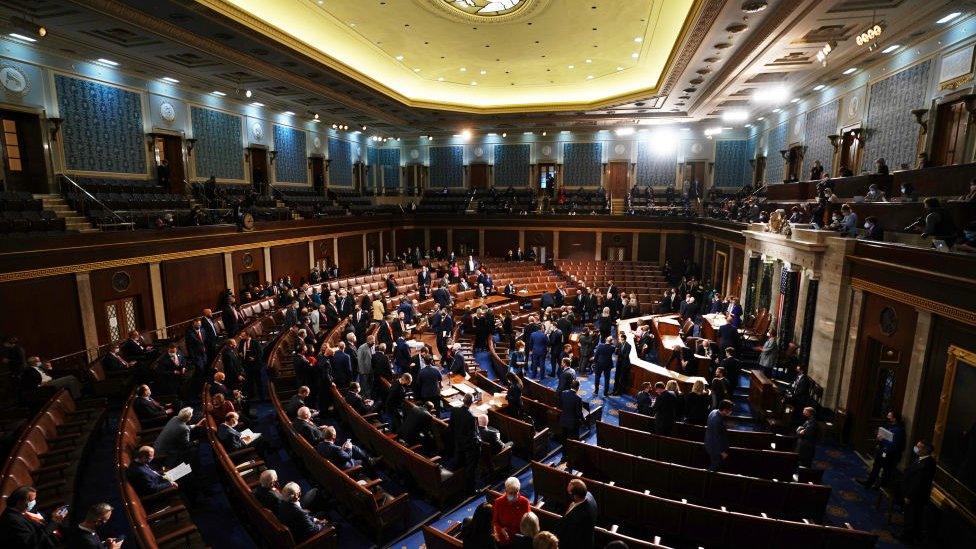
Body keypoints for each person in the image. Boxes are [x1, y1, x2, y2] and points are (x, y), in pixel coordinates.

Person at [0, 485, 65, 549]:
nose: (34, 503)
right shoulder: (12, 520)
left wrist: (52, 514)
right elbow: (32, 542)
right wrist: (54, 522)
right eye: (31, 500)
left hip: (48, 535)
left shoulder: (21, 509)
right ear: (20, 502)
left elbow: (38, 514)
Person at [899, 441, 937, 543]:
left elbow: (918, 483)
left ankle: (906, 537)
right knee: (914, 516)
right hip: (914, 494)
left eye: (919, 447)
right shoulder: (922, 459)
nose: (916, 448)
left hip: (915, 496)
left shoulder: (926, 464)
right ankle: (912, 535)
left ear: (925, 450)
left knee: (911, 517)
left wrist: (909, 496)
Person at [859, 410, 906, 489]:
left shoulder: (899, 430)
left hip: (890, 454)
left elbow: (894, 444)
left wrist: (882, 440)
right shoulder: (888, 425)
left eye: (889, 417)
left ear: (894, 419)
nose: (887, 418)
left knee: (885, 471)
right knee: (876, 466)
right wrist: (879, 437)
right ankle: (869, 483)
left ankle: (879, 487)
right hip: (882, 451)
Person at [450, 393, 482, 492]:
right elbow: (472, 434)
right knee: (471, 466)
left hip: (457, 441)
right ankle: (470, 489)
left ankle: (457, 483)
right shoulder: (471, 417)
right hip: (468, 445)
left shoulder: (454, 410)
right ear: (472, 403)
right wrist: (478, 441)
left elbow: (451, 425)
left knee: (459, 461)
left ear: (463, 401)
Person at [558, 478, 597, 549]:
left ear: (575, 496)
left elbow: (570, 536)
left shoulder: (578, 516)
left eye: (569, 493)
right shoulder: (588, 495)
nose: (568, 494)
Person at [493, 477, 531, 546]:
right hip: (504, 537)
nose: (513, 496)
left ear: (518, 491)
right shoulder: (498, 502)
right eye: (511, 493)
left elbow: (527, 523)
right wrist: (501, 529)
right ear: (506, 491)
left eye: (515, 492)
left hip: (519, 538)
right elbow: (495, 522)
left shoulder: (525, 502)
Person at [705, 400, 734, 471]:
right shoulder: (717, 421)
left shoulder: (713, 412)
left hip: (709, 444)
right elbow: (716, 438)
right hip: (715, 449)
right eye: (730, 410)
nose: (731, 412)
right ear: (725, 410)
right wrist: (722, 452)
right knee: (714, 467)